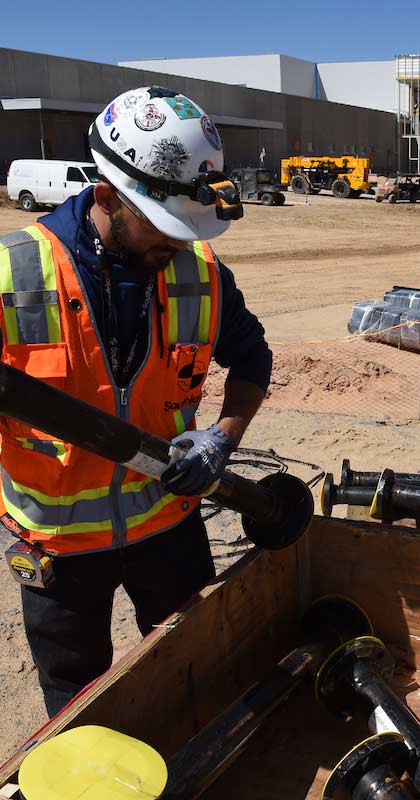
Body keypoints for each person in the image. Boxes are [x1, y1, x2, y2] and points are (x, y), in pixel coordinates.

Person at [0, 87, 271, 716]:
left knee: (199, 678)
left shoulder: (196, 271)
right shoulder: (15, 273)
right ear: (105, 198)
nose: (175, 247)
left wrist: (222, 438)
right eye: (163, 229)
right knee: (77, 710)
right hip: (56, 546)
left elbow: (252, 360)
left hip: (168, 524)